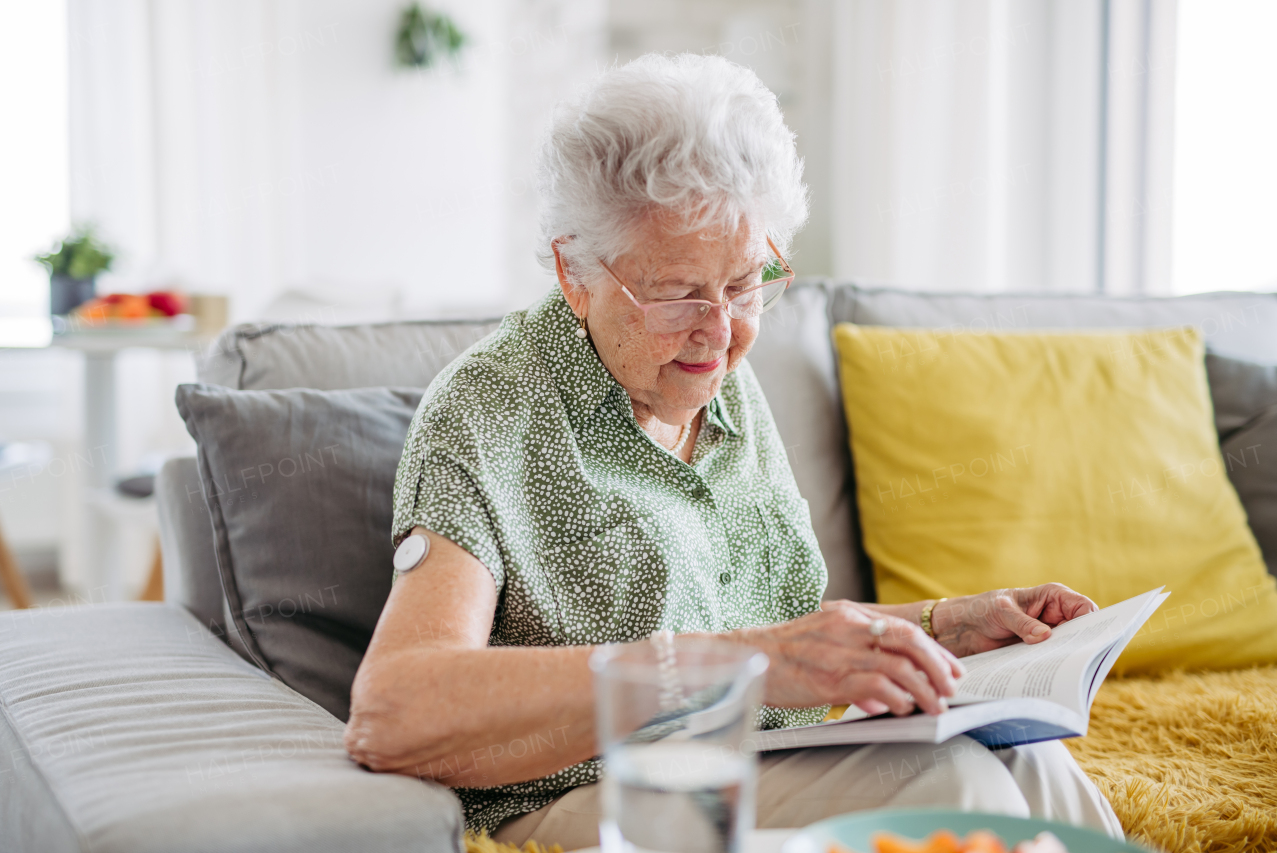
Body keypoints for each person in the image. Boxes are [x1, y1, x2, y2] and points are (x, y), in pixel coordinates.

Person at [344, 53, 1122, 846]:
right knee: (951, 784)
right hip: (599, 789)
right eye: (680, 290)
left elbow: (771, 636)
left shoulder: (717, 384)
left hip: (762, 754)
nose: (720, 333)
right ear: (574, 271)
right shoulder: (488, 410)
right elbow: (394, 709)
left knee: (1036, 766)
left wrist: (944, 624)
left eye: (746, 284)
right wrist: (720, 664)